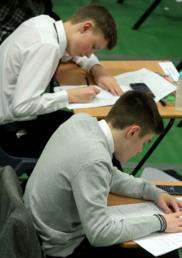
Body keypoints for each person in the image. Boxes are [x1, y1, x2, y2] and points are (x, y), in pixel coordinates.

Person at [23, 91, 182, 258]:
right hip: (57, 255)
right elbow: (100, 233)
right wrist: (161, 222)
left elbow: (108, 174)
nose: (140, 150)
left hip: (37, 232)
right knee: (158, 243)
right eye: (145, 142)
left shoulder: (82, 121)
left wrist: (153, 192)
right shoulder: (94, 158)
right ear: (133, 131)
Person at [0, 4, 123, 159]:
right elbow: (22, 107)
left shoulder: (45, 23)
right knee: (95, 146)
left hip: (13, 116)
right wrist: (69, 96)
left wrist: (96, 68)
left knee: (90, 130)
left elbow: (69, 51)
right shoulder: (47, 47)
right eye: (92, 47)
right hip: (11, 131)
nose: (88, 55)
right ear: (85, 27)